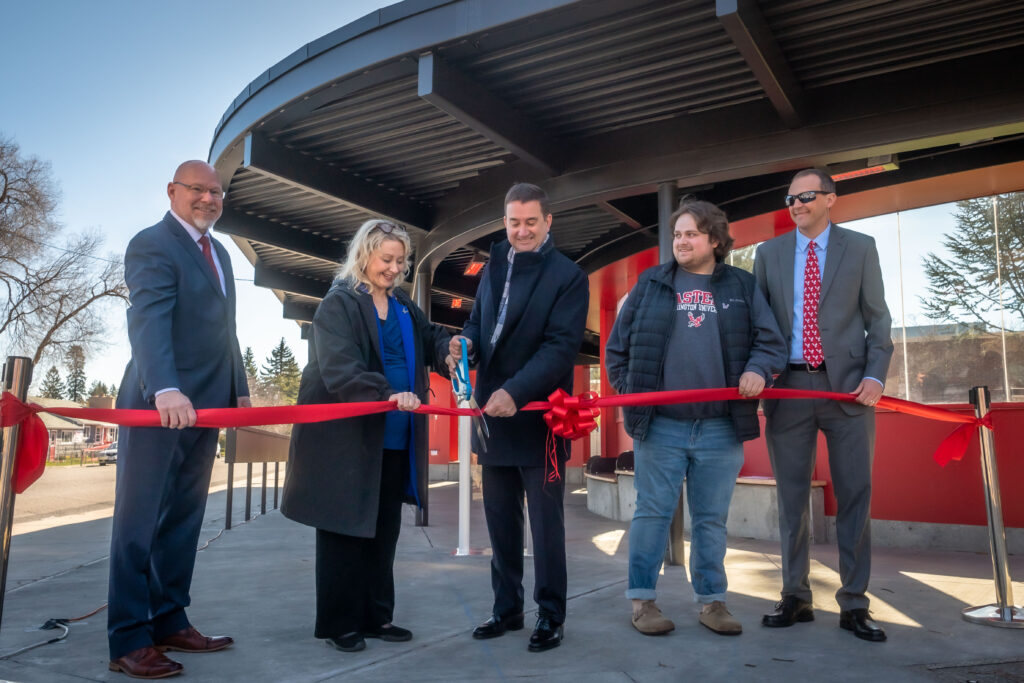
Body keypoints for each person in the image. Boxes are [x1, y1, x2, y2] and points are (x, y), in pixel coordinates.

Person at [605, 198, 787, 637]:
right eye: (678, 234)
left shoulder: (742, 286)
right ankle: (643, 601)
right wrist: (633, 397)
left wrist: (757, 370)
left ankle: (712, 602)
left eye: (691, 233)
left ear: (716, 240)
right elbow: (617, 352)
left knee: (711, 519)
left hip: (721, 428)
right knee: (651, 514)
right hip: (661, 426)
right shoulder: (650, 284)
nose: (682, 241)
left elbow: (771, 343)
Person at [281, 219, 450, 654]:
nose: (394, 268)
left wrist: (449, 346)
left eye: (400, 261)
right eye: (386, 259)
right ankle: (341, 624)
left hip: (394, 439)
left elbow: (430, 339)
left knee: (383, 531)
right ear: (364, 255)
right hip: (347, 441)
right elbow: (340, 368)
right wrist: (389, 393)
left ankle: (377, 617)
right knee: (343, 531)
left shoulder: (404, 308)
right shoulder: (338, 304)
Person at [109, 161, 250, 679]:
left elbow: (224, 333)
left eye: (216, 192)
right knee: (138, 523)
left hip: (206, 409)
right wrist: (164, 387)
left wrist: (239, 393)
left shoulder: (221, 254)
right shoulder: (153, 243)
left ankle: (170, 620)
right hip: (158, 406)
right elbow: (147, 319)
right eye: (198, 190)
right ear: (173, 191)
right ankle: (127, 638)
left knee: (184, 520)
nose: (209, 199)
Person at [753, 168, 893, 642]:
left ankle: (854, 603)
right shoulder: (769, 254)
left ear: (831, 199)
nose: (796, 205)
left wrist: (875, 375)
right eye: (790, 199)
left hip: (849, 392)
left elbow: (878, 318)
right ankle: (795, 595)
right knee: (792, 499)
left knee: (855, 495)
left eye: (806, 196)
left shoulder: (861, 247)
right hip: (788, 390)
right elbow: (762, 325)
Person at [449, 183, 588, 652]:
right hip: (493, 415)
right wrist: (463, 344)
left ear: (548, 222)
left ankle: (551, 615)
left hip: (539, 417)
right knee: (499, 521)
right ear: (504, 222)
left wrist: (515, 390)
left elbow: (560, 349)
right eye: (513, 222)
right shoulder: (492, 266)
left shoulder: (569, 276)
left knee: (546, 524)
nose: (522, 230)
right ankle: (506, 609)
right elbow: (477, 324)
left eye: (531, 221)